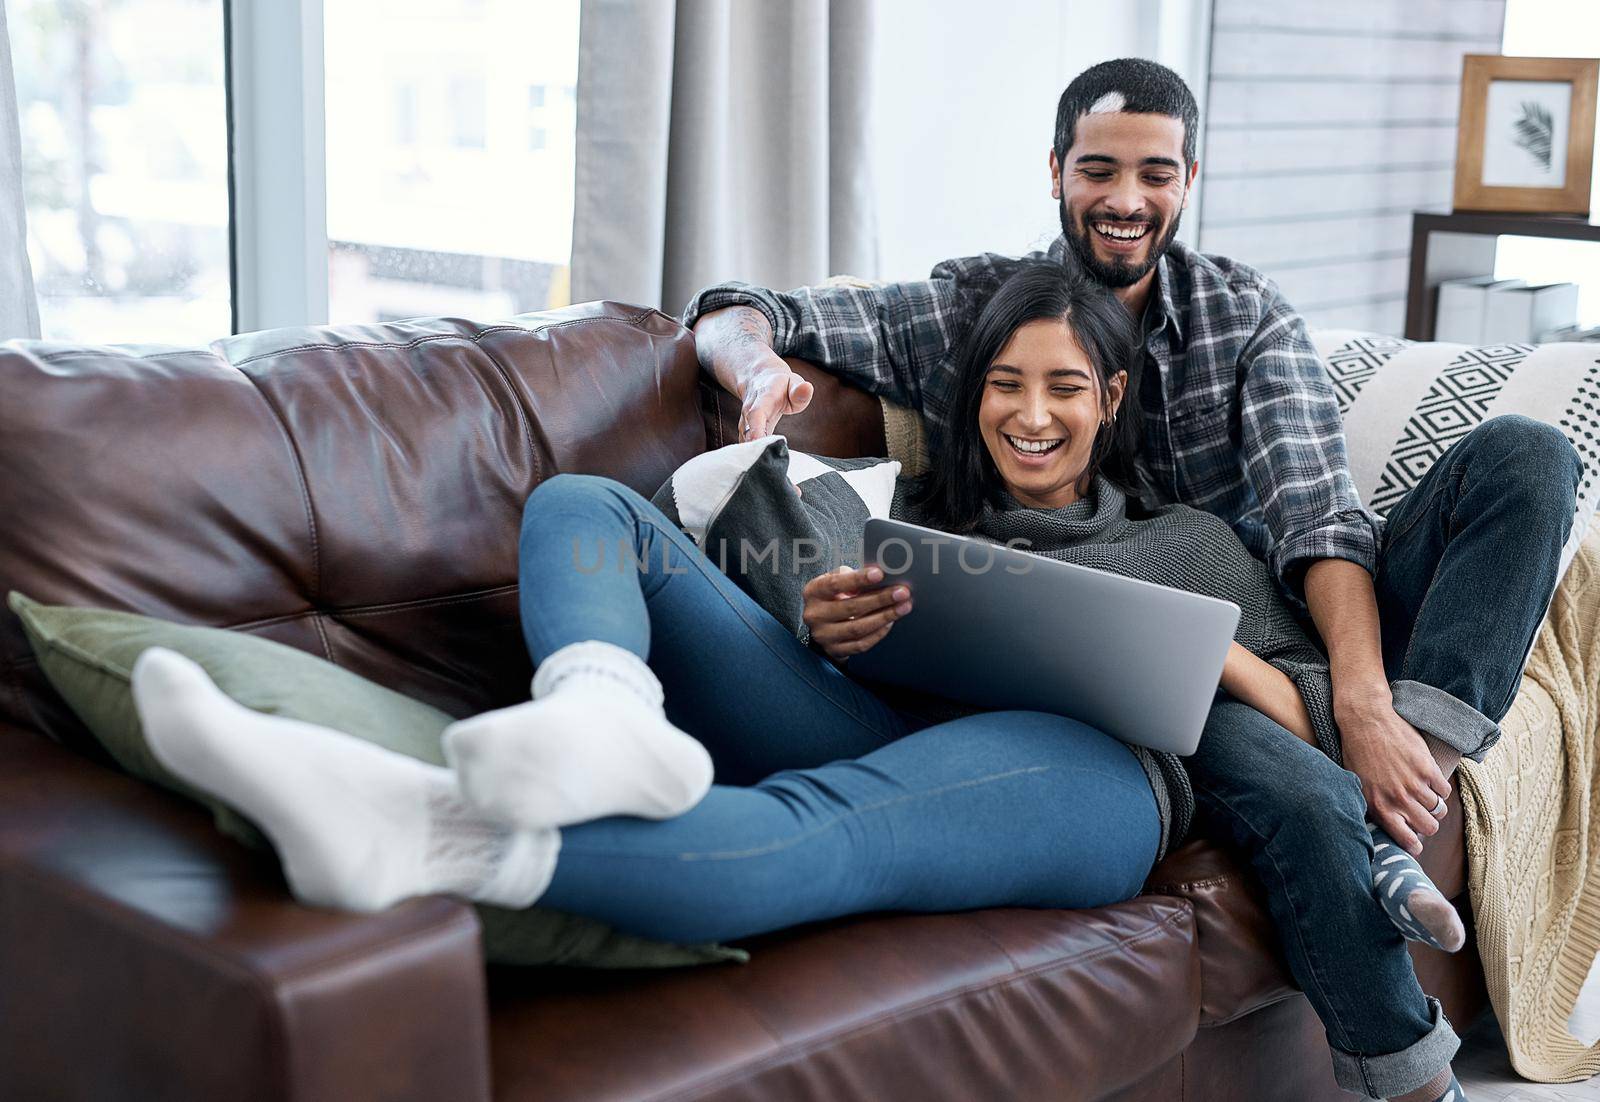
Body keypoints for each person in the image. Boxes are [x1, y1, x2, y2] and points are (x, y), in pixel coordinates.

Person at [134, 260, 1485, 1101]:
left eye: (1064, 387)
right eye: (1004, 384)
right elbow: (748, 358)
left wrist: (1227, 653)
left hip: (1096, 774)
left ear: (1111, 399)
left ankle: (409, 826)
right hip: (877, 699)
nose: (1030, 411)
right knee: (584, 500)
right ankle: (597, 707)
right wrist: (833, 605)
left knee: (821, 828)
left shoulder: (1195, 533)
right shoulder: (910, 518)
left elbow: (1305, 717)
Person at [686, 59, 1581, 1102]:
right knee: (1257, 754)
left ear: (1187, 180)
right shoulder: (976, 307)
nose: (1123, 199)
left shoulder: (1242, 318)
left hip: (1286, 603)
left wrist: (1366, 702)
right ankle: (1401, 997)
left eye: (1153, 173)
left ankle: (1404, 797)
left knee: (1527, 455)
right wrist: (755, 371)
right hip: (1165, 674)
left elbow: (1317, 520)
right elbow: (739, 309)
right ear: (1057, 170)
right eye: (1098, 169)